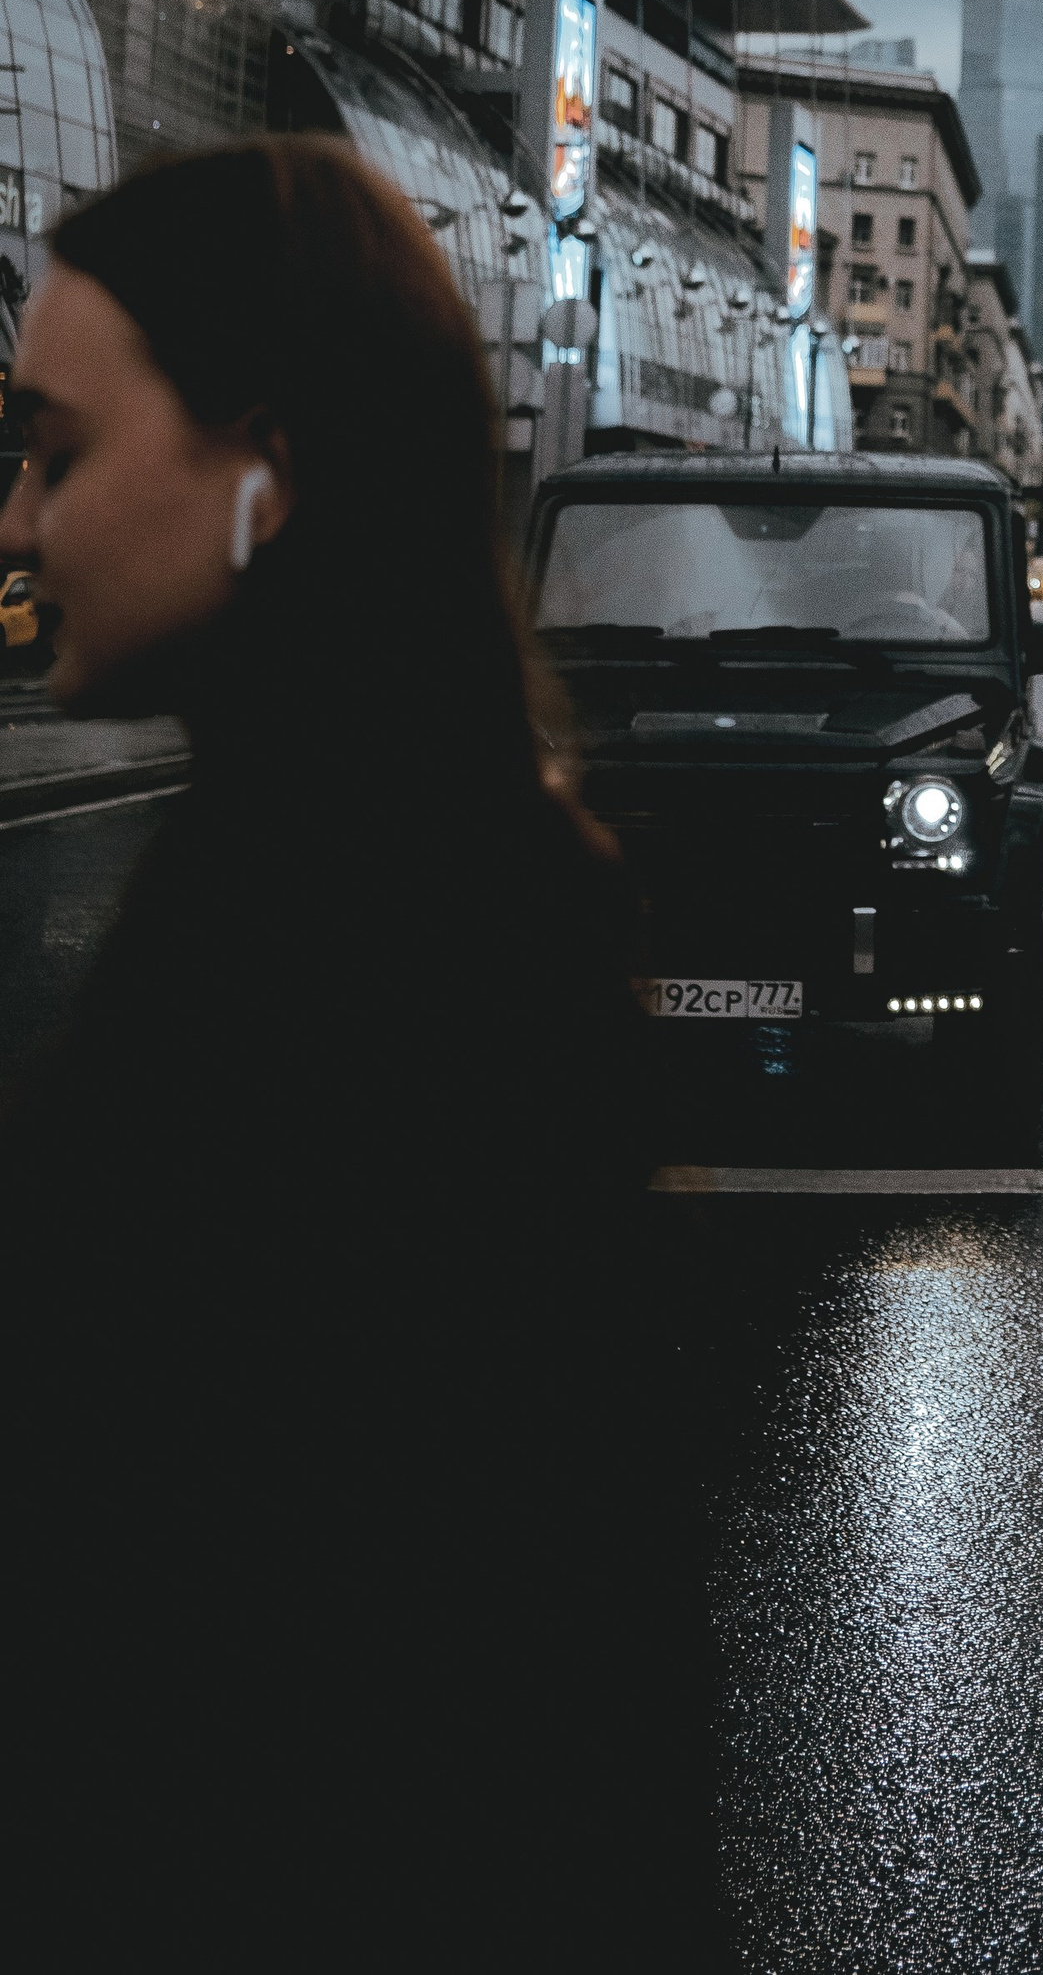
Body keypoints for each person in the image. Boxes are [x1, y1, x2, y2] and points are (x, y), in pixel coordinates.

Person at [0, 142, 721, 1969]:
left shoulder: (358, 926)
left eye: (59, 453)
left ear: (271, 466)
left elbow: (383, 1652)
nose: (17, 521)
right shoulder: (365, 849)